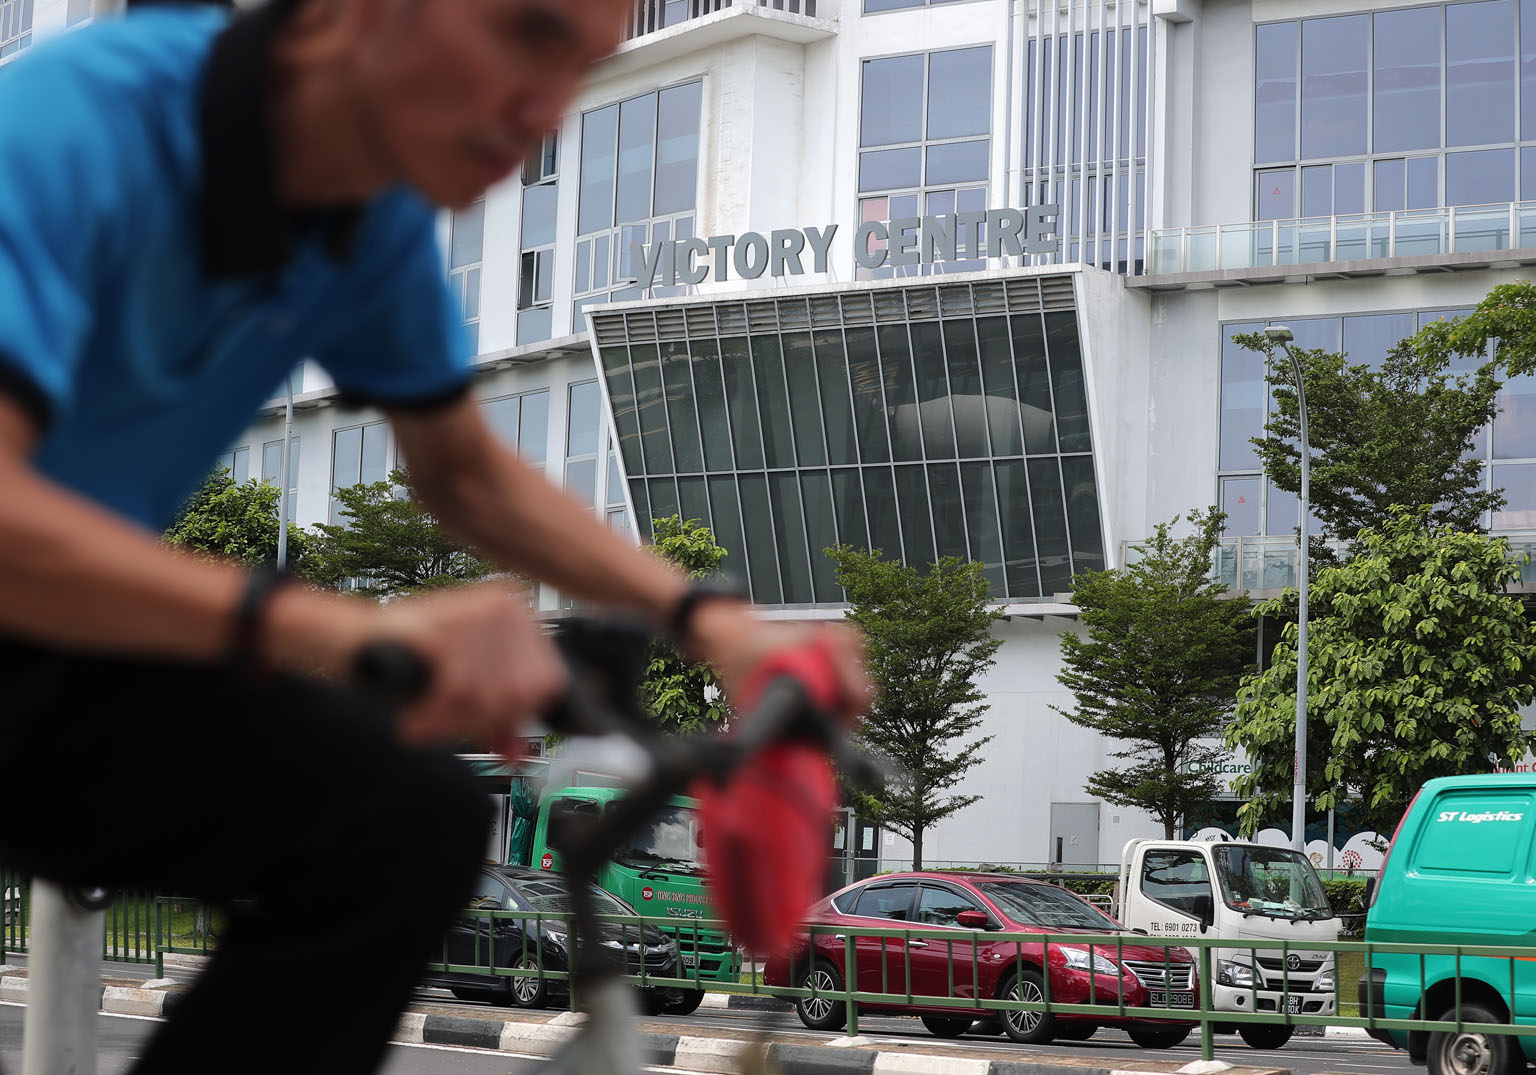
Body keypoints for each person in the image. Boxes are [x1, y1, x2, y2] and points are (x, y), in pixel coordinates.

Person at [0, 1, 866, 1072]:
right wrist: (351, 633)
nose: (547, 112)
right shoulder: (82, 125)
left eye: (580, 67)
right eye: (528, 34)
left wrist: (713, 622)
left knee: (405, 821)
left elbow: (463, 472)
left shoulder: (362, 220)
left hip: (51, 654)